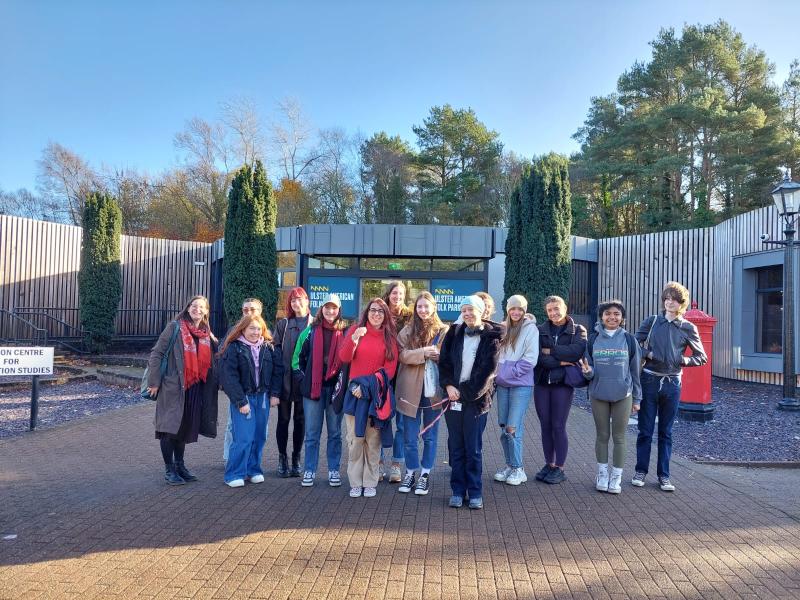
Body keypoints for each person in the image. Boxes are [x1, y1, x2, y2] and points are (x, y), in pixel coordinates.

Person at [632, 282, 707, 492]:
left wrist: (682, 360)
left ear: (681, 303)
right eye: (666, 298)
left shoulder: (688, 327)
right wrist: (649, 354)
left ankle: (664, 476)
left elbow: (702, 357)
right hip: (649, 380)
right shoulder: (653, 321)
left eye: (674, 299)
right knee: (645, 431)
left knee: (666, 432)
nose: (669, 301)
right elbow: (634, 343)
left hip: (673, 384)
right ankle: (640, 471)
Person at [147, 295, 218, 485]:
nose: (197, 309)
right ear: (188, 308)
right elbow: (157, 353)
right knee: (169, 429)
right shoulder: (175, 327)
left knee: (184, 428)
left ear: (206, 311)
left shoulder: (205, 332)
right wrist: (154, 382)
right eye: (194, 306)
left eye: (201, 307)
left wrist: (215, 341)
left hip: (194, 388)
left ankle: (180, 465)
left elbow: (213, 358)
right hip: (173, 387)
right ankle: (169, 469)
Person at [439, 295, 502, 509]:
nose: (467, 313)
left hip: (476, 401)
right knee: (456, 447)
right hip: (453, 398)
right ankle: (457, 490)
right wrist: (448, 386)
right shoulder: (453, 333)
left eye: (471, 310)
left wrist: (463, 392)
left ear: (481, 311)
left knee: (473, 448)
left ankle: (475, 491)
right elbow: (444, 363)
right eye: (464, 310)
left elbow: (487, 372)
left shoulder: (492, 337)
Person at [578, 300, 641, 494]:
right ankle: (602, 474)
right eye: (607, 314)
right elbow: (588, 371)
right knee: (603, 436)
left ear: (622, 318)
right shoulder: (593, 339)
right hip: (599, 394)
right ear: (601, 317)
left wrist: (637, 399)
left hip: (623, 394)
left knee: (620, 437)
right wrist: (588, 372)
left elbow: (635, 371)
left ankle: (616, 477)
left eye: (616, 314)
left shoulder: (630, 340)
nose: (612, 317)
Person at [339, 298, 399, 498]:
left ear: (385, 315)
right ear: (367, 312)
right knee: (356, 440)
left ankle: (370, 481)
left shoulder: (389, 337)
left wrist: (365, 388)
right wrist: (354, 338)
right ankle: (355, 482)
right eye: (373, 310)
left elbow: (388, 372)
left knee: (373, 442)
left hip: (376, 397)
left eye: (381, 311)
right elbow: (345, 357)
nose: (376, 314)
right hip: (354, 395)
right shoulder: (357, 330)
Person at [219, 314, 283, 487]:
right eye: (251, 328)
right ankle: (234, 474)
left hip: (262, 398)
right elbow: (229, 377)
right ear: (243, 329)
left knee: (259, 436)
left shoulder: (269, 347)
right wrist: (241, 401)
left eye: (258, 328)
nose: (255, 332)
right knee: (243, 437)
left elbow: (278, 371)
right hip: (244, 398)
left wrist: (275, 394)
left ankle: (253, 470)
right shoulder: (234, 347)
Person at [394, 291, 448, 495]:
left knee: (430, 436)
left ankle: (424, 474)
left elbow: (449, 358)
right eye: (420, 306)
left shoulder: (444, 331)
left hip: (433, 389)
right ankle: (410, 472)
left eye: (427, 306)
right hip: (409, 389)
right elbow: (401, 355)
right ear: (415, 309)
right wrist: (424, 352)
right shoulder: (407, 330)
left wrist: (440, 355)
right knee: (409, 436)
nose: (423, 310)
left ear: (434, 308)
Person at [292, 294, 347, 488]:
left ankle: (333, 470)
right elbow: (296, 360)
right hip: (313, 392)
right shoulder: (309, 331)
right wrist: (304, 381)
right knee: (312, 434)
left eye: (334, 308)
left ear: (339, 310)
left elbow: (348, 361)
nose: (330, 311)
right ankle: (310, 470)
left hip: (335, 391)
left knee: (335, 433)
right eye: (327, 307)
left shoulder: (345, 333)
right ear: (321, 308)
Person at [533, 295, 587, 485]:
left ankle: (560, 467)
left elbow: (576, 352)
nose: (554, 313)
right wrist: (563, 360)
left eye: (557, 308)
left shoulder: (578, 330)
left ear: (565, 308)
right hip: (541, 383)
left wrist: (552, 351)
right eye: (550, 310)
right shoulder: (539, 330)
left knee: (558, 425)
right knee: (545, 425)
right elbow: (539, 358)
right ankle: (549, 463)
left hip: (563, 384)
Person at [493, 295, 538, 486]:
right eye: (513, 308)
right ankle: (510, 466)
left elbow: (530, 359)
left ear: (524, 310)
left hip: (521, 384)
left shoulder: (531, 329)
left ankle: (519, 469)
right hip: (503, 385)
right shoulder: (503, 328)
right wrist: (499, 374)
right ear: (508, 309)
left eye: (520, 309)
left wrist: (507, 373)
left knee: (513, 427)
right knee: (504, 427)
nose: (516, 312)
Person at [273, 287, 313, 478]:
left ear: (307, 301)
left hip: (303, 382)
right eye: (293, 300)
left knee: (300, 421)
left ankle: (296, 458)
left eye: (299, 299)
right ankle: (282, 458)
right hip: (284, 382)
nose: (296, 303)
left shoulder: (314, 325)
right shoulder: (284, 324)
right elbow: (276, 350)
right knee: (283, 420)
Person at [222, 298, 263, 462]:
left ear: (259, 311)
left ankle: (250, 463)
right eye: (245, 310)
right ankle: (230, 460)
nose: (249, 312)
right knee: (234, 427)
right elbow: (224, 356)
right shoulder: (234, 331)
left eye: (252, 309)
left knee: (258, 430)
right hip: (240, 392)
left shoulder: (264, 332)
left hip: (259, 394)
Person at [381, 281, 413, 483]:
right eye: (395, 293)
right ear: (389, 294)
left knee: (401, 424)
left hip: (403, 374)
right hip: (382, 373)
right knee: (381, 419)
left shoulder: (410, 316)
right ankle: (377, 463)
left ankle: (396, 465)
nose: (398, 296)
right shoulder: (379, 312)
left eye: (401, 293)